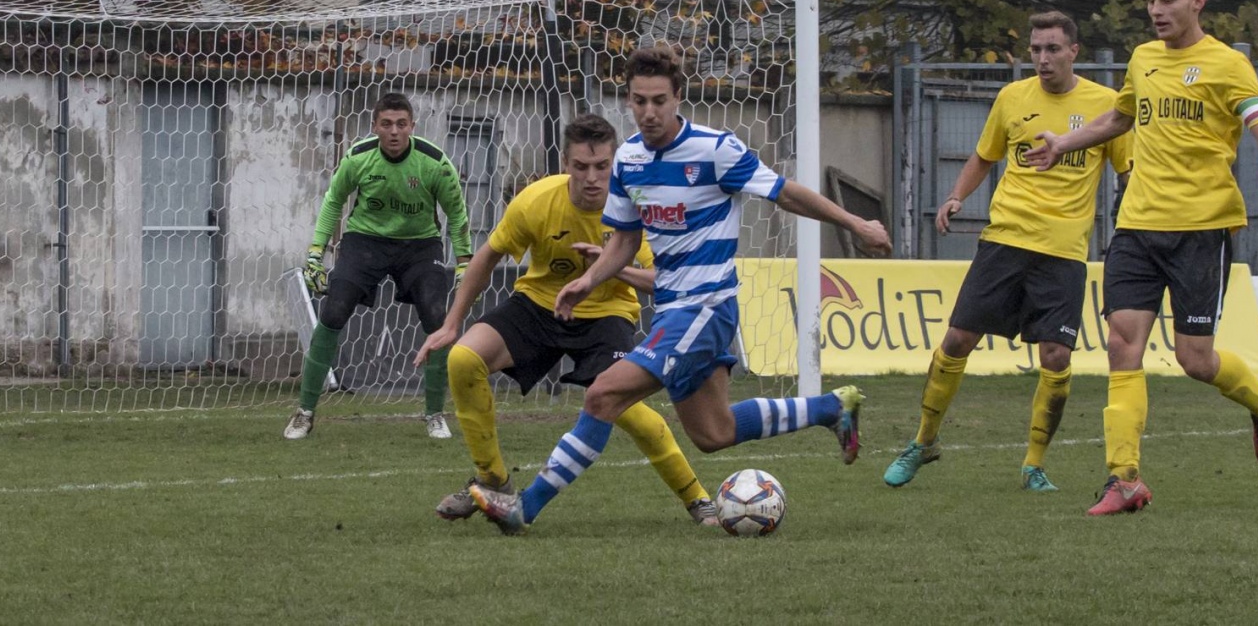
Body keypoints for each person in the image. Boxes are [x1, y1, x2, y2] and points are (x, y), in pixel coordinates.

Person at [472, 45, 892, 534]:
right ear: (627, 100)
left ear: (678, 98)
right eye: (638, 101)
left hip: (707, 308)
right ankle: (831, 407)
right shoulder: (627, 159)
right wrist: (587, 280)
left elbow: (785, 191)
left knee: (602, 395)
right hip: (672, 309)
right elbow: (626, 240)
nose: (648, 112)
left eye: (658, 100)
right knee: (714, 433)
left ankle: (525, 508)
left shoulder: (716, 149)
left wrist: (855, 224)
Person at [1025, 0, 1258, 516]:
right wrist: (1064, 143)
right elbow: (1119, 118)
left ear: (1197, 1)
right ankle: (1124, 479)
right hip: (1137, 225)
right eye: (1150, 1)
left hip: (1201, 229)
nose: (1155, 11)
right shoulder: (1144, 60)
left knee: (1194, 359)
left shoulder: (1227, 65)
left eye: (1167, 0)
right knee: (1122, 343)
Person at [414, 113, 722, 527]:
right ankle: (493, 481)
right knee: (463, 359)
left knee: (623, 406)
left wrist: (611, 267)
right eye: (581, 167)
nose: (592, 178)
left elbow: (659, 281)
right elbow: (487, 255)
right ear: (565, 164)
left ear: (615, 164)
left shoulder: (638, 208)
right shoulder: (537, 201)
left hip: (606, 313)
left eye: (601, 167)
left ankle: (697, 498)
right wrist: (453, 323)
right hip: (539, 304)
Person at [883, 12, 1132, 493]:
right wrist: (956, 195)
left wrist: (1133, 218)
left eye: (1052, 48)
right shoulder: (1012, 98)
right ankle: (924, 442)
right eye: (1036, 49)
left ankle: (1033, 465)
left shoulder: (1106, 106)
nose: (1042, 58)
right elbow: (984, 155)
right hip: (1005, 240)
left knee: (1057, 357)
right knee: (957, 341)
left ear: (1073, 51)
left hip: (1063, 252)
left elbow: (1128, 169)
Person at [284, 91, 472, 441]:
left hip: (419, 245)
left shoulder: (434, 163)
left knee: (436, 314)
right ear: (375, 127)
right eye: (386, 124)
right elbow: (333, 201)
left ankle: (434, 414)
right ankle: (304, 412)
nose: (394, 132)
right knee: (334, 309)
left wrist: (464, 263)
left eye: (401, 124)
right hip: (365, 241)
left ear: (412, 127)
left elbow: (457, 213)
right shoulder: (358, 158)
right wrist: (315, 252)